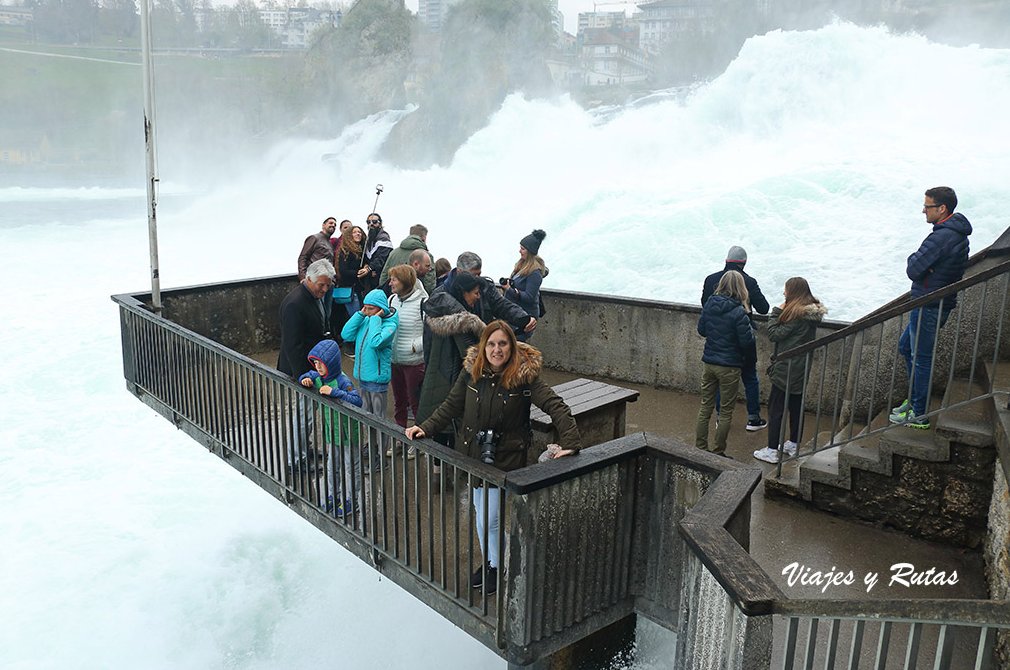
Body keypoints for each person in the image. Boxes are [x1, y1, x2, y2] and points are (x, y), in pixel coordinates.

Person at [405, 321, 581, 594]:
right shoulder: (472, 373)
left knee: (491, 519)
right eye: (491, 344)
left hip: (505, 458)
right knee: (480, 514)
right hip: (473, 454)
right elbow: (452, 405)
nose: (496, 349)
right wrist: (425, 427)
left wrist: (570, 441)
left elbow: (555, 405)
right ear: (483, 346)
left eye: (502, 343)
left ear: (511, 346)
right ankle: (490, 561)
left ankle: (497, 566)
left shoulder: (524, 376)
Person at [890, 187, 972, 429]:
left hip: (928, 304)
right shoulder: (955, 234)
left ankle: (919, 413)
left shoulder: (941, 237)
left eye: (927, 206)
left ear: (942, 208)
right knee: (906, 347)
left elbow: (913, 269)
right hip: (934, 302)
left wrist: (915, 261)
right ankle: (915, 401)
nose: (923, 210)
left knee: (921, 358)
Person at [753, 278, 827, 464]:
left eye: (785, 290)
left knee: (776, 408)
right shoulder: (810, 314)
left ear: (792, 293)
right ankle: (793, 444)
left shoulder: (796, 316)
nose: (783, 293)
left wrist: (776, 311)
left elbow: (774, 334)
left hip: (787, 368)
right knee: (796, 406)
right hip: (802, 367)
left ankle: (771, 450)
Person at [701, 246, 770, 431]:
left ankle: (719, 418)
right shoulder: (750, 281)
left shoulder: (710, 279)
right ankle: (753, 419)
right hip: (743, 336)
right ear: (744, 263)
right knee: (750, 378)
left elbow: (704, 306)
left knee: (718, 382)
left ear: (726, 260)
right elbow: (764, 308)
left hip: (717, 339)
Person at [415, 271, 486, 443]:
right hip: (453, 380)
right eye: (476, 293)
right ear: (464, 292)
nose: (478, 297)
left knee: (437, 422)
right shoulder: (463, 322)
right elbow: (471, 357)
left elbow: (428, 346)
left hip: (435, 374)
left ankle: (437, 468)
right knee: (451, 424)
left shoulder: (436, 312)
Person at [278, 258, 335, 468]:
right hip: (302, 371)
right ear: (309, 279)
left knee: (307, 414)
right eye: (322, 284)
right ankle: (297, 460)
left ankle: (304, 449)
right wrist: (302, 375)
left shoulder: (311, 296)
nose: (325, 289)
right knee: (304, 415)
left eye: (328, 284)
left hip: (311, 368)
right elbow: (292, 344)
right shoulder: (295, 303)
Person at [299, 339, 363, 517]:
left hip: (349, 433)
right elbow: (305, 375)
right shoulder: (318, 377)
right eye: (316, 363)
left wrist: (334, 392)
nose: (318, 367)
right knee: (331, 466)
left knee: (352, 467)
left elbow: (357, 401)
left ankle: (352, 501)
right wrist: (305, 379)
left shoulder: (343, 380)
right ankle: (332, 496)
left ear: (332, 363)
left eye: (322, 363)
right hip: (331, 432)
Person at [695, 271, 755, 456]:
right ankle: (718, 450)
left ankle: (700, 447)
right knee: (726, 412)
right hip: (729, 366)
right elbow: (747, 342)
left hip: (709, 362)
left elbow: (702, 330)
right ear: (741, 287)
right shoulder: (739, 312)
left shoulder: (710, 305)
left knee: (706, 406)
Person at [341, 288, 399, 466]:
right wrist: (360, 314)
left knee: (379, 419)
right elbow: (346, 334)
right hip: (363, 377)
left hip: (377, 380)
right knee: (367, 416)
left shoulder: (389, 325)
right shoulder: (366, 318)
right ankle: (373, 447)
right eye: (365, 307)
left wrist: (375, 318)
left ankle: (382, 457)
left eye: (370, 308)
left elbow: (375, 342)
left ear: (381, 309)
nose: (367, 311)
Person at [441, 251, 536, 338]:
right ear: (459, 272)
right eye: (473, 275)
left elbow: (502, 305)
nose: (477, 279)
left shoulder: (486, 287)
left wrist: (523, 318)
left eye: (479, 274)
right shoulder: (443, 294)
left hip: (482, 344)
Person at [388, 265, 429, 453]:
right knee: (399, 401)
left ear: (404, 281)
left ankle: (418, 440)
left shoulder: (423, 301)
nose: (390, 283)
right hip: (395, 359)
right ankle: (399, 436)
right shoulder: (391, 300)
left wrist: (414, 346)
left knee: (416, 402)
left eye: (394, 279)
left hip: (413, 361)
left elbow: (430, 332)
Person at [502, 229, 548, 342]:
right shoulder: (522, 264)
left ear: (529, 251)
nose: (519, 251)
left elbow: (529, 297)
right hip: (515, 314)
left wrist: (511, 291)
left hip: (526, 318)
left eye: (522, 249)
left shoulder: (535, 273)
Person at [380, 224, 436, 295]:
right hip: (416, 298)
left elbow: (384, 276)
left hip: (391, 296)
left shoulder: (393, 253)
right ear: (424, 238)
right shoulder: (426, 256)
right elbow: (429, 283)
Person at [336, 225, 369, 327]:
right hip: (350, 290)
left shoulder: (362, 250)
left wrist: (367, 268)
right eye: (354, 232)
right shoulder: (345, 251)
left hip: (359, 289)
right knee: (356, 317)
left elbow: (367, 263)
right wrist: (358, 272)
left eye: (359, 232)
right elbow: (343, 271)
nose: (358, 234)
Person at [358, 213, 394, 295]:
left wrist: (369, 268)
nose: (371, 224)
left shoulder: (384, 238)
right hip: (369, 280)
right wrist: (366, 265)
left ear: (380, 224)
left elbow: (382, 258)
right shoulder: (369, 240)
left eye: (374, 222)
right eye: (368, 222)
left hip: (381, 278)